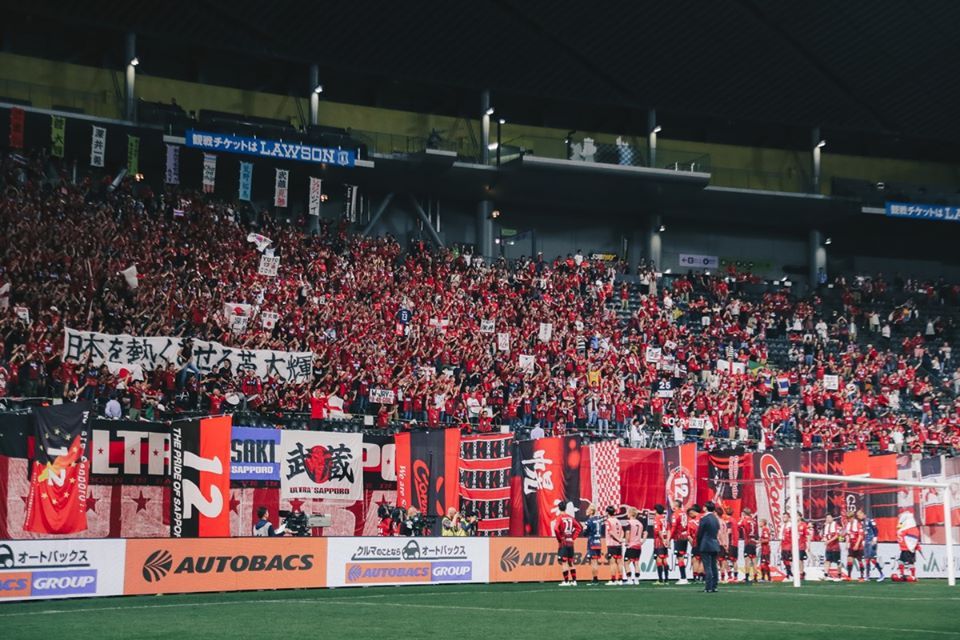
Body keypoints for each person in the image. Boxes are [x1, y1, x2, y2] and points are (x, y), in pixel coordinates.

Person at [553, 502, 583, 586]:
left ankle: (566, 581)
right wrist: (573, 537)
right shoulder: (571, 517)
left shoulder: (559, 518)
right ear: (566, 508)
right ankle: (574, 581)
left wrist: (559, 538)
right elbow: (579, 528)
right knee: (571, 562)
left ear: (559, 508)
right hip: (570, 541)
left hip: (564, 541)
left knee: (564, 562)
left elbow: (555, 529)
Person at [697, 501, 722, 593]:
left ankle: (708, 586)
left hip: (706, 543)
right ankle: (714, 586)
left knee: (707, 566)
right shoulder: (716, 519)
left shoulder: (704, 519)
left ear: (705, 508)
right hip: (714, 543)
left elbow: (700, 533)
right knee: (714, 566)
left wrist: (699, 543)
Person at [624, 507, 647, 585]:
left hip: (631, 545)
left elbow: (627, 533)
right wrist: (643, 541)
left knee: (626, 563)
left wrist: (626, 542)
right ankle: (637, 580)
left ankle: (629, 580)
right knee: (636, 562)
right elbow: (645, 533)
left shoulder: (629, 522)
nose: (627, 513)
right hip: (638, 546)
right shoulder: (640, 523)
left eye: (627, 512)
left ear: (630, 513)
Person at [583, 504, 605, 584]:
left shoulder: (589, 521)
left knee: (593, 562)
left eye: (588, 509)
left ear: (591, 511)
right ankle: (595, 578)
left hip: (592, 542)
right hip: (598, 542)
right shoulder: (599, 520)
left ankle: (595, 579)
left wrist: (584, 529)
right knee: (595, 561)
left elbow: (585, 533)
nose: (586, 510)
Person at [669, 499, 690, 585]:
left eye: (673, 504)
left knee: (680, 557)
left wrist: (669, 538)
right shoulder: (684, 513)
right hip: (684, 537)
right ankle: (683, 577)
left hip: (678, 538)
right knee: (681, 556)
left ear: (676, 505)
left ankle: (683, 577)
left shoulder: (675, 514)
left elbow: (673, 528)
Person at [604, 505, 625, 585]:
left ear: (607, 512)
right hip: (618, 545)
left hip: (612, 544)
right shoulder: (617, 521)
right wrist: (620, 539)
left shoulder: (608, 521)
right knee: (619, 562)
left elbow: (610, 532)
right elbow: (622, 531)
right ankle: (620, 579)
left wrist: (618, 539)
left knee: (612, 563)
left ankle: (613, 580)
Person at [844, 509, 866, 582]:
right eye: (848, 518)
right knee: (849, 559)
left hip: (858, 545)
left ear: (853, 517)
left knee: (860, 560)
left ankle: (862, 576)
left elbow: (860, 535)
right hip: (851, 544)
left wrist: (857, 544)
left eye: (850, 518)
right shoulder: (848, 525)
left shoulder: (858, 524)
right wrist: (847, 544)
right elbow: (847, 535)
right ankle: (849, 576)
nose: (849, 519)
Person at [739, 507, 758, 584]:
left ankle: (747, 577)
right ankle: (755, 577)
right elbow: (756, 531)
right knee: (754, 560)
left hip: (748, 542)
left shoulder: (745, 520)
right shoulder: (754, 521)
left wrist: (741, 518)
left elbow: (738, 526)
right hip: (753, 542)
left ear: (744, 513)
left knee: (747, 559)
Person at [652, 503, 670, 585]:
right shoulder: (665, 519)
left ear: (656, 510)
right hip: (665, 539)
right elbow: (669, 530)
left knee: (659, 559)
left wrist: (662, 539)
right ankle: (666, 579)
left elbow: (658, 530)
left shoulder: (656, 519)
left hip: (659, 541)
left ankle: (660, 580)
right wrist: (667, 540)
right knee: (665, 559)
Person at [863, 511, 884, 581]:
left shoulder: (870, 521)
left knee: (872, 559)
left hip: (871, 541)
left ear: (864, 514)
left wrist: (875, 539)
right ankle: (867, 576)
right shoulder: (863, 522)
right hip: (866, 542)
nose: (858, 516)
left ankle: (881, 574)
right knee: (867, 559)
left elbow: (876, 530)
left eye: (859, 514)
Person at [822, 514, 843, 581]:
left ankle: (839, 575)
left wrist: (829, 541)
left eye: (829, 517)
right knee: (827, 561)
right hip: (828, 547)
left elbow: (837, 535)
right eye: (827, 518)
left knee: (838, 562)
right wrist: (825, 539)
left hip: (835, 547)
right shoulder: (826, 526)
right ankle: (826, 575)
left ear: (832, 518)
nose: (828, 519)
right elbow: (825, 535)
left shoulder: (836, 525)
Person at [758, 518, 772, 582]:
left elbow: (767, 539)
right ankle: (763, 578)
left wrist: (760, 541)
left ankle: (768, 578)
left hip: (766, 549)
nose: (759, 523)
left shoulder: (765, 529)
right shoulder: (763, 529)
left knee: (764, 564)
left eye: (760, 522)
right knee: (762, 564)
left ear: (763, 523)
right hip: (763, 549)